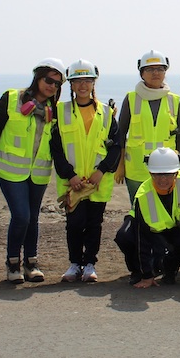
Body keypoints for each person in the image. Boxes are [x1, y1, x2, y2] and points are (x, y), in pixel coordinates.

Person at [0, 58, 71, 284]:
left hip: (39, 172)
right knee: (21, 216)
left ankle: (31, 263)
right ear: (38, 77)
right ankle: (12, 262)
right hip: (11, 170)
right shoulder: (12, 98)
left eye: (57, 83)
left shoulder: (55, 110)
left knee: (33, 217)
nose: (51, 86)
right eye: (48, 80)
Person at [54, 59, 120, 283]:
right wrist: (69, 175)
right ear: (70, 84)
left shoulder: (107, 112)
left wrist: (102, 171)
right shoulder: (59, 111)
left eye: (88, 80)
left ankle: (90, 263)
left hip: (97, 181)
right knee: (74, 223)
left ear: (94, 83)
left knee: (94, 223)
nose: (83, 85)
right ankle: (74, 263)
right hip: (72, 181)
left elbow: (116, 147)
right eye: (77, 81)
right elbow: (56, 148)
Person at [114, 147, 180, 288]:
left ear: (176, 173)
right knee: (124, 237)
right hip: (146, 228)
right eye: (157, 174)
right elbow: (142, 239)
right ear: (150, 173)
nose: (162, 179)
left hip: (173, 226)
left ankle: (169, 268)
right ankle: (137, 271)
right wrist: (147, 275)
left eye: (168, 174)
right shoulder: (143, 196)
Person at [115, 50, 180, 206]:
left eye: (160, 69)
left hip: (167, 169)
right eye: (150, 69)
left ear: (165, 72)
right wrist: (120, 166)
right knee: (139, 209)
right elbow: (121, 134)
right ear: (142, 73)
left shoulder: (174, 100)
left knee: (165, 209)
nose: (155, 73)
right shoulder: (132, 98)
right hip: (137, 169)